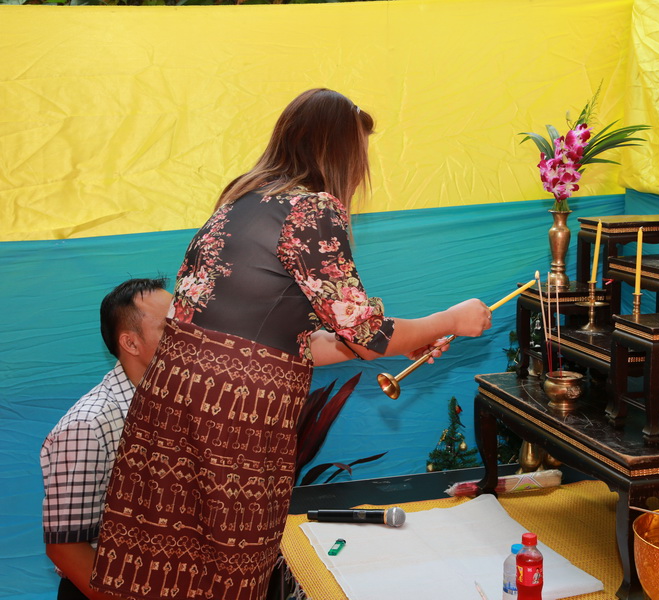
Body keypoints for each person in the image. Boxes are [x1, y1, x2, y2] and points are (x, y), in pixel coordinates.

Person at [90, 88, 492, 600]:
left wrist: (408, 338)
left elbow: (286, 343)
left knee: (164, 567)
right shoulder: (312, 209)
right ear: (338, 152)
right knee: (226, 570)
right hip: (231, 415)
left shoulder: (239, 202)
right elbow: (368, 336)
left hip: (170, 405)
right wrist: (451, 320)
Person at [41, 278, 172, 600]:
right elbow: (65, 547)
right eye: (169, 327)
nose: (187, 337)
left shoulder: (178, 402)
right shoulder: (88, 425)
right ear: (131, 343)